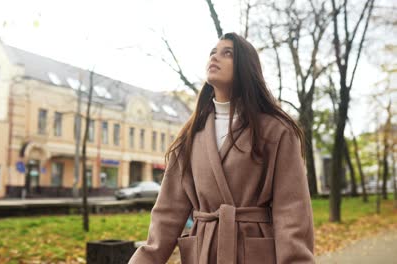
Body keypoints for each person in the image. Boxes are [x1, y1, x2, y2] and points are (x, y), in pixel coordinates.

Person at [128, 32, 314, 264]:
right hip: (203, 253)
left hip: (255, 253)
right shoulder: (190, 136)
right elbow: (167, 212)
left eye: (227, 53)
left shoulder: (276, 130)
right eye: (213, 52)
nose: (215, 57)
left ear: (247, 68)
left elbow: (292, 212)